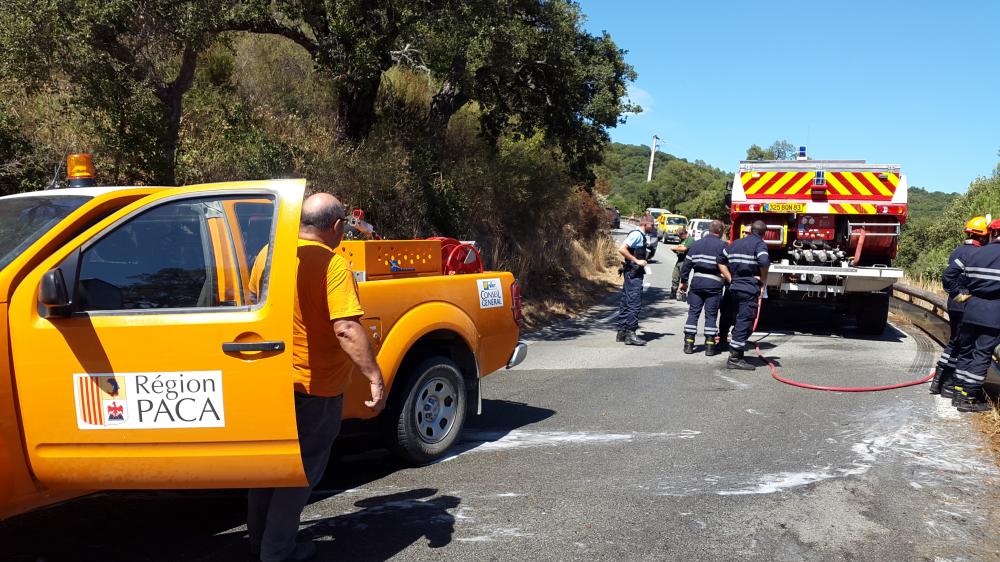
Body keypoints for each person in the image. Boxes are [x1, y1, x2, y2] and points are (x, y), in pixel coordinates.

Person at [247, 193, 387, 562]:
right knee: (301, 472)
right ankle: (277, 551)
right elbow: (345, 328)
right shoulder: (333, 266)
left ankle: (258, 539)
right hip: (315, 387)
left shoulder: (268, 255)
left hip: (269, 380)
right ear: (337, 227)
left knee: (269, 467)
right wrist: (374, 375)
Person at [930, 216, 989, 396]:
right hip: (965, 303)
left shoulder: (958, 250)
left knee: (954, 342)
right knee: (964, 346)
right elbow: (950, 276)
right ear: (983, 236)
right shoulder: (975, 253)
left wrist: (955, 296)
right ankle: (950, 386)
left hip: (954, 303)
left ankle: (938, 382)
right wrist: (962, 296)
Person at [948, 218, 1000, 413]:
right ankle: (967, 398)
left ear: (992, 233)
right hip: (994, 313)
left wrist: (959, 296)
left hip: (970, 309)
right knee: (982, 355)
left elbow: (949, 275)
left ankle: (957, 391)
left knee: (966, 351)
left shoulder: (975, 253)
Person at [717, 220, 770, 370]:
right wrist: (763, 282)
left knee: (736, 317)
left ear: (751, 230)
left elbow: (720, 261)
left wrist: (730, 278)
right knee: (744, 321)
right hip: (748, 288)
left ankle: (732, 349)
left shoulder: (735, 244)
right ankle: (734, 358)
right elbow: (764, 262)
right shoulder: (760, 245)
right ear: (763, 233)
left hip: (734, 286)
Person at [678, 220, 729, 356]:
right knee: (711, 315)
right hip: (714, 284)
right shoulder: (723, 246)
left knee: (693, 313)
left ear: (709, 229)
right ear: (720, 231)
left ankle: (688, 344)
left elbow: (687, 265)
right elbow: (727, 266)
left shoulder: (696, 244)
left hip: (697, 283)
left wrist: (683, 281)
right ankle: (710, 346)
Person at [617, 216, 655, 346]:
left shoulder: (639, 235)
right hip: (634, 274)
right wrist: (637, 260)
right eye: (653, 225)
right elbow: (622, 249)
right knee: (634, 303)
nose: (654, 227)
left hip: (631, 273)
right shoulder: (637, 235)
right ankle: (630, 334)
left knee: (626, 302)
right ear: (646, 224)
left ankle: (621, 332)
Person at [669, 229, 694, 299]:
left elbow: (684, 248)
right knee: (675, 276)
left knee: (683, 277)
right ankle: (673, 291)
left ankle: (682, 293)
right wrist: (675, 250)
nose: (679, 237)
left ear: (684, 234)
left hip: (685, 261)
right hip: (679, 260)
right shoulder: (682, 240)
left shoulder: (690, 239)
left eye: (680, 236)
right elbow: (679, 249)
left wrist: (675, 247)